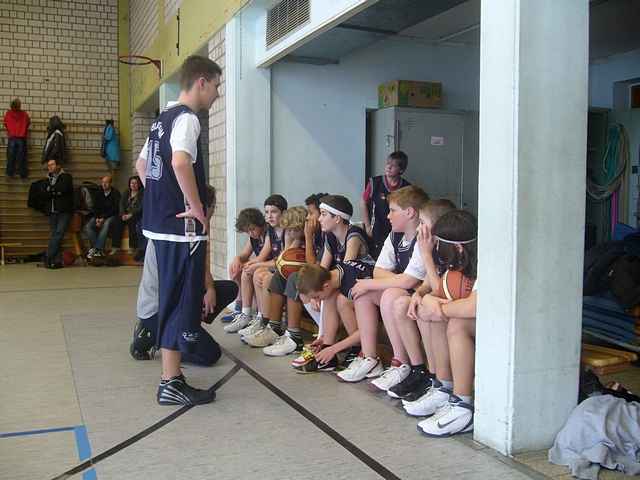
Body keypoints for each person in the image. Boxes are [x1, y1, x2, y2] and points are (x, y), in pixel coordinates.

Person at [136, 55, 221, 406]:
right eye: (217, 86)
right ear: (201, 81)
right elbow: (180, 162)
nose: (217, 94)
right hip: (181, 231)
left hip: (160, 226)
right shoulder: (187, 119)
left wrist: (161, 198)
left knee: (171, 302)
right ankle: (170, 381)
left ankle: (172, 377)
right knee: (179, 305)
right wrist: (196, 206)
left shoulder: (162, 120)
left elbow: (143, 165)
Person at [130, 186, 238, 366]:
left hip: (175, 300)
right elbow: (181, 285)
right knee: (211, 355)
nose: (211, 215)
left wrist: (209, 289)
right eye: (211, 209)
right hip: (159, 309)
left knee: (228, 288)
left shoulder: (187, 227)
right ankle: (153, 336)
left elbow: (200, 267)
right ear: (201, 207)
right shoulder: (182, 234)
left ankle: (182, 328)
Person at [337, 185, 430, 383]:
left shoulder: (424, 236)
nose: (387, 216)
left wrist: (373, 283)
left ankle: (400, 362)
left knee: (386, 293)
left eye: (392, 210)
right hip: (404, 293)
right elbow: (378, 271)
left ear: (410, 212)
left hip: (420, 296)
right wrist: (386, 282)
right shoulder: (395, 235)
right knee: (362, 293)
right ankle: (370, 357)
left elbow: (410, 280)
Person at [402, 210, 478, 437]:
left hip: (516, 328)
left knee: (456, 324)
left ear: (458, 248)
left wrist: (439, 307)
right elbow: (436, 288)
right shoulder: (462, 259)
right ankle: (444, 387)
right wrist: (426, 298)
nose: (434, 248)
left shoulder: (487, 261)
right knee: (431, 314)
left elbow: (473, 307)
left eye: (438, 245)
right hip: (485, 320)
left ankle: (463, 406)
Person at [382, 199, 456, 401]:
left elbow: (442, 290)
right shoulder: (432, 245)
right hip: (437, 301)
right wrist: (419, 292)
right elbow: (427, 283)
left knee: (424, 310)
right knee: (402, 305)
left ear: (438, 226)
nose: (420, 227)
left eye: (423, 222)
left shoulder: (448, 248)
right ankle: (419, 370)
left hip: (451, 307)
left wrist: (426, 254)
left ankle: (437, 379)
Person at [242, 206, 306, 347]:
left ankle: (293, 335)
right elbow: (283, 260)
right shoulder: (289, 236)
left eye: (294, 230)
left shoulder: (311, 238)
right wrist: (290, 240)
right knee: (277, 277)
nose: (291, 233)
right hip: (292, 275)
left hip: (306, 278)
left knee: (288, 278)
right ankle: (273, 327)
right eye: (288, 230)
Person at [223, 194, 288, 334]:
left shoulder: (282, 231)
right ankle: (244, 312)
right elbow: (250, 256)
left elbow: (273, 260)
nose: (250, 233)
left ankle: (262, 318)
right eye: (267, 212)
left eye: (274, 212)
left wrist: (253, 265)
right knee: (242, 268)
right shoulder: (268, 232)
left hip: (280, 270)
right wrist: (238, 260)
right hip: (272, 267)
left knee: (255, 272)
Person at [294, 259, 374, 372]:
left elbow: (366, 329)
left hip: (382, 305)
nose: (316, 300)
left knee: (341, 300)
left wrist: (334, 349)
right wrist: (325, 339)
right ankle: (327, 343)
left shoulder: (354, 285)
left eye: (316, 296)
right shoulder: (336, 273)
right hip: (366, 301)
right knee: (330, 297)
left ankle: (358, 349)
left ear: (325, 286)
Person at [221, 208, 268, 323]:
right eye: (248, 231)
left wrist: (247, 264)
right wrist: (237, 259)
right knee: (235, 266)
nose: (250, 233)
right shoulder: (253, 237)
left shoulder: (268, 233)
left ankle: (249, 313)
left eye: (252, 229)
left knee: (246, 269)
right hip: (260, 265)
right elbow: (244, 254)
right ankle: (239, 308)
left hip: (268, 265)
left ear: (260, 223)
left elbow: (262, 257)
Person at [361, 151, 411, 258]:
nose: (388, 167)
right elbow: (363, 202)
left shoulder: (407, 188)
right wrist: (368, 226)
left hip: (397, 230)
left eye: (393, 165)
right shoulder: (375, 182)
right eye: (388, 163)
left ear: (401, 170)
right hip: (376, 229)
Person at [43, 159, 73, 268]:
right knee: (55, 235)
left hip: (63, 211)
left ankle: (48, 257)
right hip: (52, 211)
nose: (49, 167)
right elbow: (44, 192)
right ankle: (55, 261)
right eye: (48, 165)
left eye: (52, 164)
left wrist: (52, 190)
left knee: (59, 234)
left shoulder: (66, 177)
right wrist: (54, 191)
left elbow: (63, 189)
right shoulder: (48, 178)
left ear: (58, 165)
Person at [83, 175, 121, 258]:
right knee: (88, 226)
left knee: (106, 224)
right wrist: (97, 218)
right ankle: (99, 249)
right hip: (99, 216)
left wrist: (103, 218)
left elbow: (115, 209)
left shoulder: (115, 193)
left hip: (112, 216)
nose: (104, 184)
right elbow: (95, 207)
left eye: (106, 182)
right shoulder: (98, 192)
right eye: (103, 182)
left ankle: (97, 248)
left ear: (110, 183)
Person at [112, 175, 145, 258]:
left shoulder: (142, 193)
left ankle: (132, 247)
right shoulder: (126, 192)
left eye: (135, 183)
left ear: (139, 184)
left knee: (132, 223)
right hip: (125, 214)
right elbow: (121, 204)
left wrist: (131, 214)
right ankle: (115, 246)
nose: (133, 185)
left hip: (135, 214)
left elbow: (141, 207)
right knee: (117, 222)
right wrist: (123, 214)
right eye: (131, 183)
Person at [3, 98, 30, 178]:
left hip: (12, 137)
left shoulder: (8, 113)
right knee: (22, 156)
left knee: (10, 156)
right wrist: (23, 130)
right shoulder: (24, 114)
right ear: (19, 105)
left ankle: (10, 173)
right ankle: (23, 173)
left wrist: (10, 131)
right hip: (21, 138)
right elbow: (28, 122)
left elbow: (5, 123)